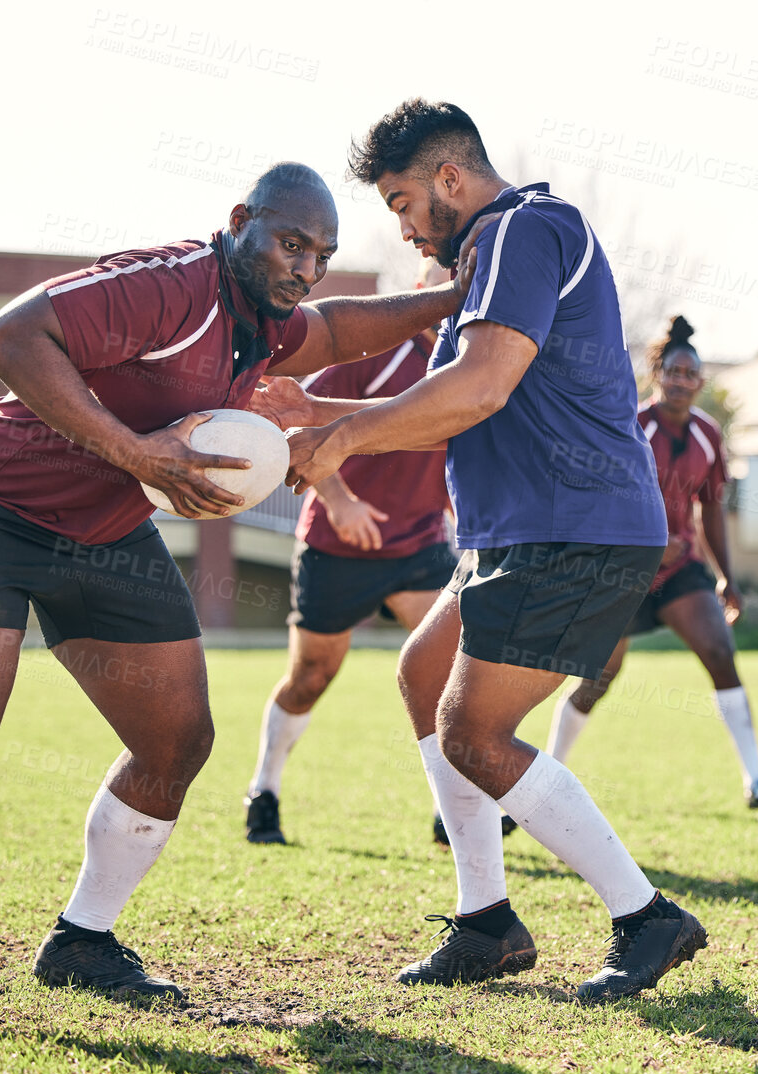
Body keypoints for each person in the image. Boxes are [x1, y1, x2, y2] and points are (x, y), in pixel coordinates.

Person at [0, 163, 477, 1004]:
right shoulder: (166, 285)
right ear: (240, 222)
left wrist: (453, 297)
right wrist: (137, 452)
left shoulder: (267, 321)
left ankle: (82, 940)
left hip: (103, 532)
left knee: (176, 740)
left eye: (321, 254)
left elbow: (339, 328)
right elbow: (7, 340)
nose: (303, 267)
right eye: (290, 243)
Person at [286, 100, 708, 1002]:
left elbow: (475, 388)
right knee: (420, 674)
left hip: (575, 527)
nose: (402, 228)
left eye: (402, 202)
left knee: (472, 732)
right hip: (514, 530)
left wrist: (341, 436)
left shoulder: (523, 227)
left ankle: (646, 917)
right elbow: (445, 406)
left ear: (449, 179)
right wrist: (308, 421)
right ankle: (486, 924)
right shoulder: (487, 259)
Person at [243, 260, 464, 845]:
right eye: (443, 281)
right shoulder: (375, 351)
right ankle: (264, 789)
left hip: (418, 544)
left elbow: (451, 455)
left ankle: (458, 805)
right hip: (338, 545)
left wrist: (462, 520)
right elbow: (307, 436)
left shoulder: (470, 363)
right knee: (310, 676)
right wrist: (340, 503)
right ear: (421, 292)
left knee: (450, 674)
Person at [546, 317, 758, 813]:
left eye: (691, 374)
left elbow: (712, 509)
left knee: (719, 651)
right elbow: (596, 497)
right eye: (673, 371)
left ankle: (757, 782)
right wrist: (644, 542)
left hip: (682, 571)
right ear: (656, 373)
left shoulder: (708, 434)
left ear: (701, 382)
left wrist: (727, 576)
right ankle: (546, 783)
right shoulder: (631, 425)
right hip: (621, 568)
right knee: (597, 678)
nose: (682, 381)